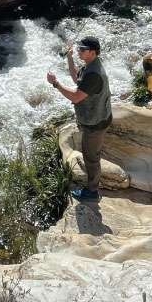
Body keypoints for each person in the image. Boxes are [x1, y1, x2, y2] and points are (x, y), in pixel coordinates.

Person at [46, 35, 112, 202]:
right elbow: (77, 79)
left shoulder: (94, 74)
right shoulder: (91, 65)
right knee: (90, 154)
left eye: (82, 50)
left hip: (96, 123)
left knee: (91, 158)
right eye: (78, 49)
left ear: (92, 52)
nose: (78, 51)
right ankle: (93, 185)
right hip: (96, 118)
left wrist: (56, 84)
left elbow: (76, 97)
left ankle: (92, 191)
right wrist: (69, 57)